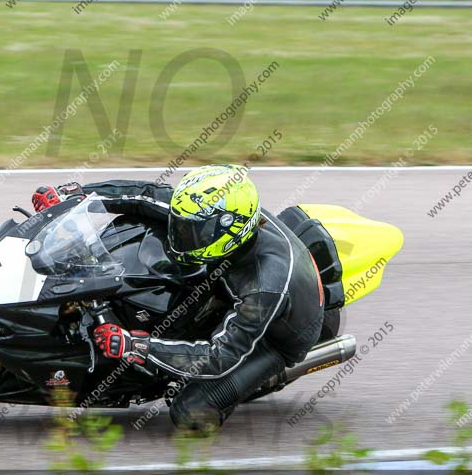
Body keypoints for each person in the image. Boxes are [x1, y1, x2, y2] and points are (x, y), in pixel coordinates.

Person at [32, 164, 325, 431]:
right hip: (232, 288)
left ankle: (268, 375)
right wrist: (76, 196)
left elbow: (218, 357)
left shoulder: (264, 285)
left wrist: (136, 345)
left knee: (191, 413)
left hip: (276, 337)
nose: (180, 232)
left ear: (227, 231)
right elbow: (144, 195)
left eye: (191, 231)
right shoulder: (204, 211)